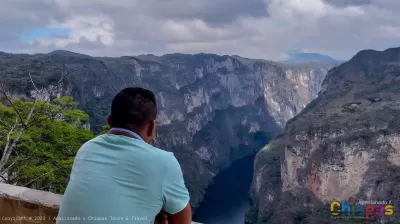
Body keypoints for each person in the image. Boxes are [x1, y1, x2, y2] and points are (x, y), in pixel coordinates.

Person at [57, 87, 192, 224]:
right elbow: (182, 219)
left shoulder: (87, 148)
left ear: (109, 121)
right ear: (152, 127)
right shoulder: (165, 162)